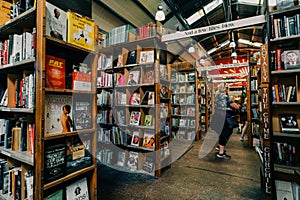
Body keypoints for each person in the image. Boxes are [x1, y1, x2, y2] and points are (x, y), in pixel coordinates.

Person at [212, 83, 239, 159]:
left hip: (217, 117)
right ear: (226, 89)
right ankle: (221, 153)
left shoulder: (217, 96)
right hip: (225, 118)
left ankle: (220, 147)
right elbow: (235, 106)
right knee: (225, 134)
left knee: (221, 133)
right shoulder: (226, 97)